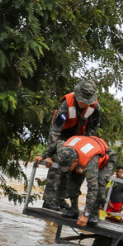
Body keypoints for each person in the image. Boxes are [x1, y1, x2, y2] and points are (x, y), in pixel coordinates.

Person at [35, 79, 101, 210]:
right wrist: (49, 153)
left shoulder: (95, 107)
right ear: (77, 95)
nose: (83, 103)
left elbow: (93, 129)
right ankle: (48, 200)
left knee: (71, 168)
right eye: (81, 100)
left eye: (86, 101)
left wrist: (83, 149)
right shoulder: (67, 104)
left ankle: (60, 200)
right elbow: (55, 129)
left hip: (79, 140)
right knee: (57, 162)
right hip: (62, 137)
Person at [43, 135, 114, 226]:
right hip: (82, 153)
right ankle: (74, 209)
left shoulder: (89, 163)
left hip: (106, 158)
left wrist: (86, 214)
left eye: (68, 167)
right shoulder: (64, 148)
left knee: (100, 187)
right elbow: (56, 143)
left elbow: (93, 188)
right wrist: (44, 156)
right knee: (71, 184)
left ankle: (94, 213)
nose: (67, 169)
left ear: (75, 161)